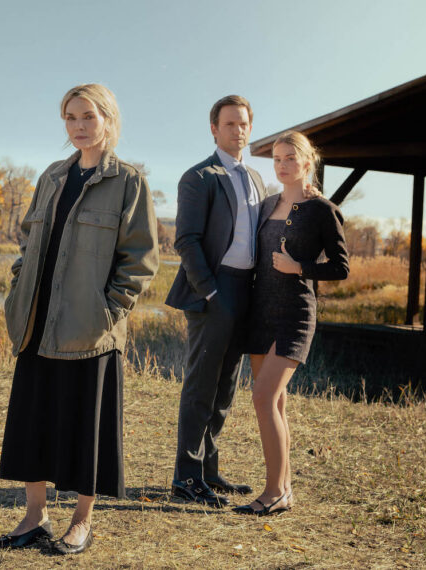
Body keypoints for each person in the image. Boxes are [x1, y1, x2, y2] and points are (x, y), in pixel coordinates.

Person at [0, 84, 159, 555]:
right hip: (36, 319)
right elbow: (29, 240)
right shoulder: (51, 176)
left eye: (88, 116)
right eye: (70, 118)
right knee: (34, 419)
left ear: (108, 119)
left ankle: (81, 524)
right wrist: (18, 286)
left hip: (91, 328)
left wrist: (110, 310)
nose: (79, 126)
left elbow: (140, 260)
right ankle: (34, 517)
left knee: (85, 427)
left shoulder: (128, 182)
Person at [234, 131, 348, 516]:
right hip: (260, 311)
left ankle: (273, 493)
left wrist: (299, 267)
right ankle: (282, 489)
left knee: (263, 397)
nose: (282, 165)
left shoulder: (322, 210)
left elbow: (341, 267)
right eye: (277, 159)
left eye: (289, 158)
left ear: (306, 161)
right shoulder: (267, 204)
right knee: (275, 403)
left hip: (295, 314)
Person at [165, 95, 267, 507]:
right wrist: (210, 291)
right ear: (214, 129)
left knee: (226, 386)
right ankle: (185, 479)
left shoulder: (257, 179)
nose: (238, 130)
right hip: (213, 288)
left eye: (243, 123)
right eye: (229, 124)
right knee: (201, 385)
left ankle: (208, 470)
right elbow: (185, 240)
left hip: (248, 289)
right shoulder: (199, 177)